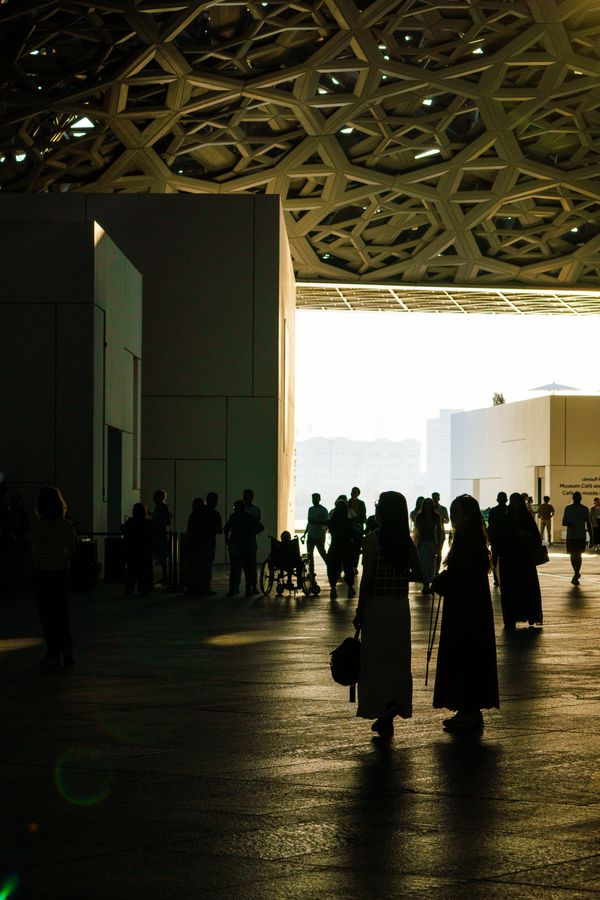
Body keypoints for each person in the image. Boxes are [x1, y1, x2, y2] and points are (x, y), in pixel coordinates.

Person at [353, 491, 421, 738]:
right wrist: (399, 575)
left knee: (377, 660)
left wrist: (360, 611)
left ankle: (382, 708)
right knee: (397, 660)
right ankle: (394, 705)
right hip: (400, 608)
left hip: (377, 607)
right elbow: (419, 573)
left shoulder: (372, 540)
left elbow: (367, 580)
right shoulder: (406, 541)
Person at [431, 494, 499, 731]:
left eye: (456, 513)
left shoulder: (466, 541)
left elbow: (463, 574)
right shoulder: (472, 539)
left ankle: (468, 709)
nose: (453, 518)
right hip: (471, 608)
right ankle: (469, 709)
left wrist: (442, 581)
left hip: (465, 611)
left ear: (468, 515)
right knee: (470, 657)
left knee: (464, 656)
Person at [29, 486, 78, 667]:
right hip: (61, 572)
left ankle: (53, 653)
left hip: (42, 572)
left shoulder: (38, 525)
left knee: (47, 615)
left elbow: (33, 548)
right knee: (62, 613)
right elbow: (72, 549)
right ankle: (67, 650)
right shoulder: (66, 525)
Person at [496, 492, 543, 627]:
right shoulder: (510, 519)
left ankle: (526, 615)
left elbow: (536, 538)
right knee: (513, 589)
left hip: (521, 559)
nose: (515, 505)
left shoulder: (518, 518)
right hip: (513, 558)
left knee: (523, 588)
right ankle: (514, 617)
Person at [224, 500, 263, 597]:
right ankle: (248, 589)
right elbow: (260, 527)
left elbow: (226, 528)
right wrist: (252, 534)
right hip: (247, 545)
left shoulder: (233, 517)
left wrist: (227, 540)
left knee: (234, 568)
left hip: (235, 544)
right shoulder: (249, 517)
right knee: (248, 568)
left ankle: (232, 589)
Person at [326, 499, 356, 600]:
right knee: (348, 568)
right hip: (347, 547)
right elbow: (352, 535)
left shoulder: (332, 521)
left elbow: (330, 531)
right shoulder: (348, 521)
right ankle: (350, 588)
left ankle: (333, 588)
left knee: (333, 568)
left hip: (335, 546)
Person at [121, 503, 153, 595]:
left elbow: (124, 530)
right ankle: (143, 587)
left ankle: (130, 587)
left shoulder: (131, 521)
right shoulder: (147, 523)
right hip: (143, 550)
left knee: (131, 570)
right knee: (143, 570)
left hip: (132, 550)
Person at [562, 491, 592, 585]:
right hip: (578, 536)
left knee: (575, 555)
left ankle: (575, 573)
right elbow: (564, 522)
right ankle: (576, 572)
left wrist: (591, 537)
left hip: (574, 536)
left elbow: (564, 522)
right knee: (576, 555)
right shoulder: (584, 509)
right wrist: (591, 537)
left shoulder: (568, 508)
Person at [414, 497, 442, 595]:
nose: (428, 505)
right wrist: (417, 543)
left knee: (431, 564)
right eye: (426, 503)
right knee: (423, 563)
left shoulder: (436, 516)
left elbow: (439, 531)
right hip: (422, 542)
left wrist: (439, 543)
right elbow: (417, 531)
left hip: (432, 542)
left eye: (430, 503)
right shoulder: (419, 516)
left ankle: (428, 584)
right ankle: (425, 584)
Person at [198, 492, 223, 596]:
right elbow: (219, 530)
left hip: (198, 542)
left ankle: (198, 586)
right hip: (209, 542)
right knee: (207, 566)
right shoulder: (215, 514)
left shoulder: (199, 513)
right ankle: (205, 587)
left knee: (199, 565)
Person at [184, 498, 206, 595]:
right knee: (198, 567)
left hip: (194, 544)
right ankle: (197, 586)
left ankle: (192, 586)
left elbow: (190, 530)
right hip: (199, 543)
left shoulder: (193, 516)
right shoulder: (202, 516)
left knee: (193, 566)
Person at [302, 493, 328, 574]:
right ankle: (311, 571)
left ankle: (331, 567)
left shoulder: (324, 510)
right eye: (313, 499)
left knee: (322, 553)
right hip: (311, 535)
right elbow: (309, 523)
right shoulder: (311, 509)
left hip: (319, 536)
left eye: (316, 499)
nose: (314, 500)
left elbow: (326, 523)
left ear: (319, 499)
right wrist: (305, 533)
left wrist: (316, 522)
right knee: (310, 555)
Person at [242, 488, 262, 595]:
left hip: (249, 540)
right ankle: (250, 586)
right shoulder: (255, 510)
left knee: (250, 565)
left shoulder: (252, 510)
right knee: (248, 565)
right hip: (248, 540)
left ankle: (251, 586)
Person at [487, 491, 509, 586]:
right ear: (506, 500)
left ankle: (496, 579)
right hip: (507, 540)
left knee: (495, 560)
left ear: (497, 500)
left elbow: (490, 525)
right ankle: (506, 578)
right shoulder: (509, 510)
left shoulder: (493, 511)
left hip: (496, 539)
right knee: (507, 560)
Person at [151, 489, 172, 584]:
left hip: (161, 534)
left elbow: (168, 521)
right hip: (158, 534)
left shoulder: (163, 507)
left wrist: (158, 523)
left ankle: (165, 576)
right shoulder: (159, 507)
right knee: (160, 555)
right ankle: (165, 576)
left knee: (162, 555)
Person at [348, 486, 367, 571]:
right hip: (351, 527)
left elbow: (364, 515)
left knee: (357, 548)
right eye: (352, 492)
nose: (353, 493)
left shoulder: (361, 503)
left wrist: (363, 525)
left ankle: (354, 566)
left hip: (358, 527)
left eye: (354, 492)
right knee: (353, 548)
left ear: (358, 494)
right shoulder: (347, 503)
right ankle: (352, 566)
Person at [432, 492, 449, 571]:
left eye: (436, 498)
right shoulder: (430, 509)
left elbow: (447, 520)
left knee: (439, 552)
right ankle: (433, 569)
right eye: (433, 498)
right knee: (433, 552)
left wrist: (442, 520)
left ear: (439, 499)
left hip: (440, 532)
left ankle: (436, 570)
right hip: (431, 532)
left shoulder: (443, 509)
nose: (435, 499)